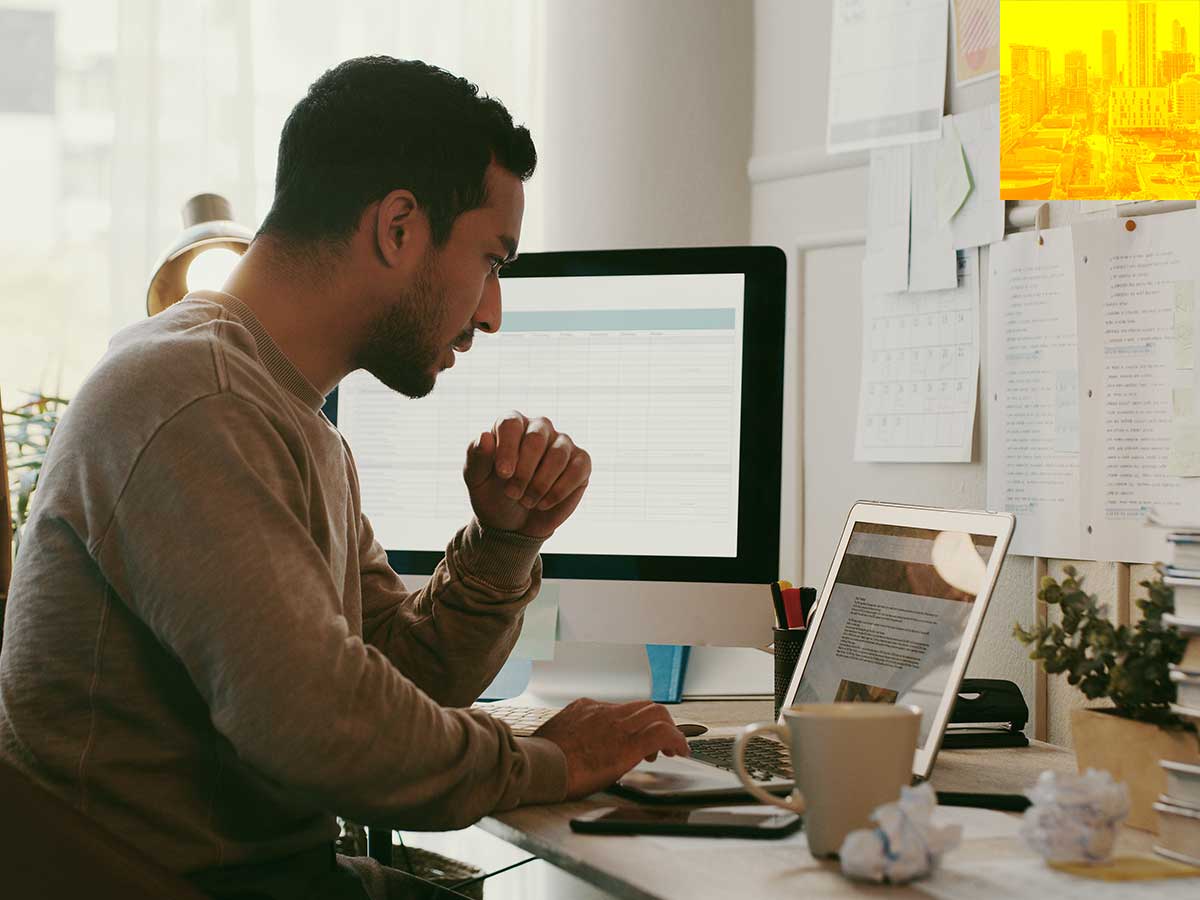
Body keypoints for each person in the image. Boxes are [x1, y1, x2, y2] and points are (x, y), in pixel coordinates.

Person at [0, 56, 688, 900]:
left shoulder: (281, 409)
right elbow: (323, 727)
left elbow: (397, 681)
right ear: (399, 226)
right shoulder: (192, 400)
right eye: (491, 261)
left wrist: (504, 544)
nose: (492, 311)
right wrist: (553, 759)